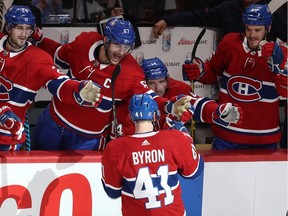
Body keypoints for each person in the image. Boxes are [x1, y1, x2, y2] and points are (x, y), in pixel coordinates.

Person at [31, 18, 192, 150]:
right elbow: (60, 54)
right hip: (53, 121)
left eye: (126, 47)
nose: (121, 52)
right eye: (117, 45)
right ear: (106, 40)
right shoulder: (84, 43)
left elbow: (148, 96)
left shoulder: (131, 72)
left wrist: (170, 107)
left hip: (87, 138)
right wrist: (41, 41)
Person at [182, 4, 287, 150]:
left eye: (257, 30)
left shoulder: (280, 53)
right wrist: (200, 71)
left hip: (264, 138)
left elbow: (284, 92)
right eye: (248, 29)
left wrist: (280, 68)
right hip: (227, 135)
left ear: (267, 29)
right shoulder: (230, 43)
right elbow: (212, 71)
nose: (252, 35)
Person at [0, 5, 102, 151]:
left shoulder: (37, 59)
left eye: (28, 28)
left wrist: (77, 89)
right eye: (19, 28)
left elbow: (58, 82)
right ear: (9, 28)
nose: (24, 33)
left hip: (8, 135)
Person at [101, 93, 204, 216]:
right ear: (155, 115)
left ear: (130, 117)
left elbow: (112, 192)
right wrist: (186, 136)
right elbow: (194, 172)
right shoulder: (175, 138)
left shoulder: (115, 148)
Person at [110, 57, 242, 138]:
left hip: (164, 152)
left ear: (167, 79)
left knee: (174, 128)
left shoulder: (176, 88)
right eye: (152, 83)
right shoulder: (134, 93)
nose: (159, 88)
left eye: (162, 81)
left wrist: (217, 112)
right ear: (144, 82)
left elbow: (196, 103)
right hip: (135, 150)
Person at [153, 0, 287, 42]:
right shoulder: (228, 8)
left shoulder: (271, 11)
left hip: (262, 71)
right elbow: (197, 16)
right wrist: (167, 20)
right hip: (233, 71)